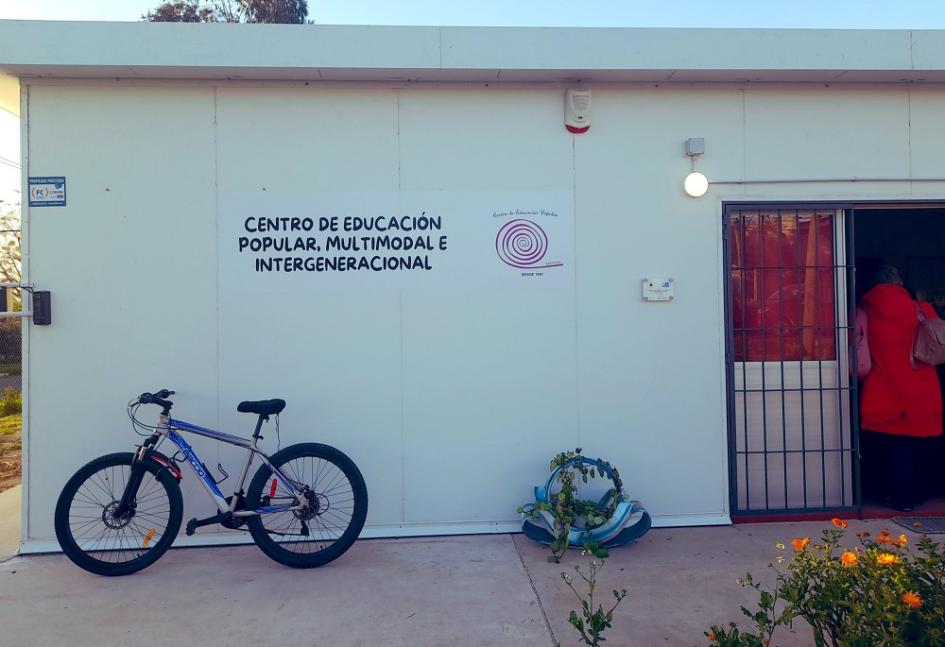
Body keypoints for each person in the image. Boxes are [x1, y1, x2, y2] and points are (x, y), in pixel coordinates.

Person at [859, 266, 943, 511]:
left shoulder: (865, 312)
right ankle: (917, 494)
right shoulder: (922, 310)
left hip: (884, 387)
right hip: (923, 387)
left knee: (893, 446)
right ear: (900, 283)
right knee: (920, 444)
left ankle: (898, 497)